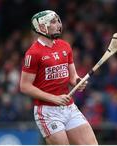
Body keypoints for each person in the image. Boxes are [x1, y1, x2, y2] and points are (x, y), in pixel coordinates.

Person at [20, 10, 98, 145]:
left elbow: (73, 77)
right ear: (42, 27)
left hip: (69, 107)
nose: (58, 24)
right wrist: (54, 98)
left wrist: (78, 82)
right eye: (53, 22)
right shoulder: (33, 53)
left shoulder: (65, 46)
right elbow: (25, 86)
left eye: (57, 21)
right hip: (47, 112)